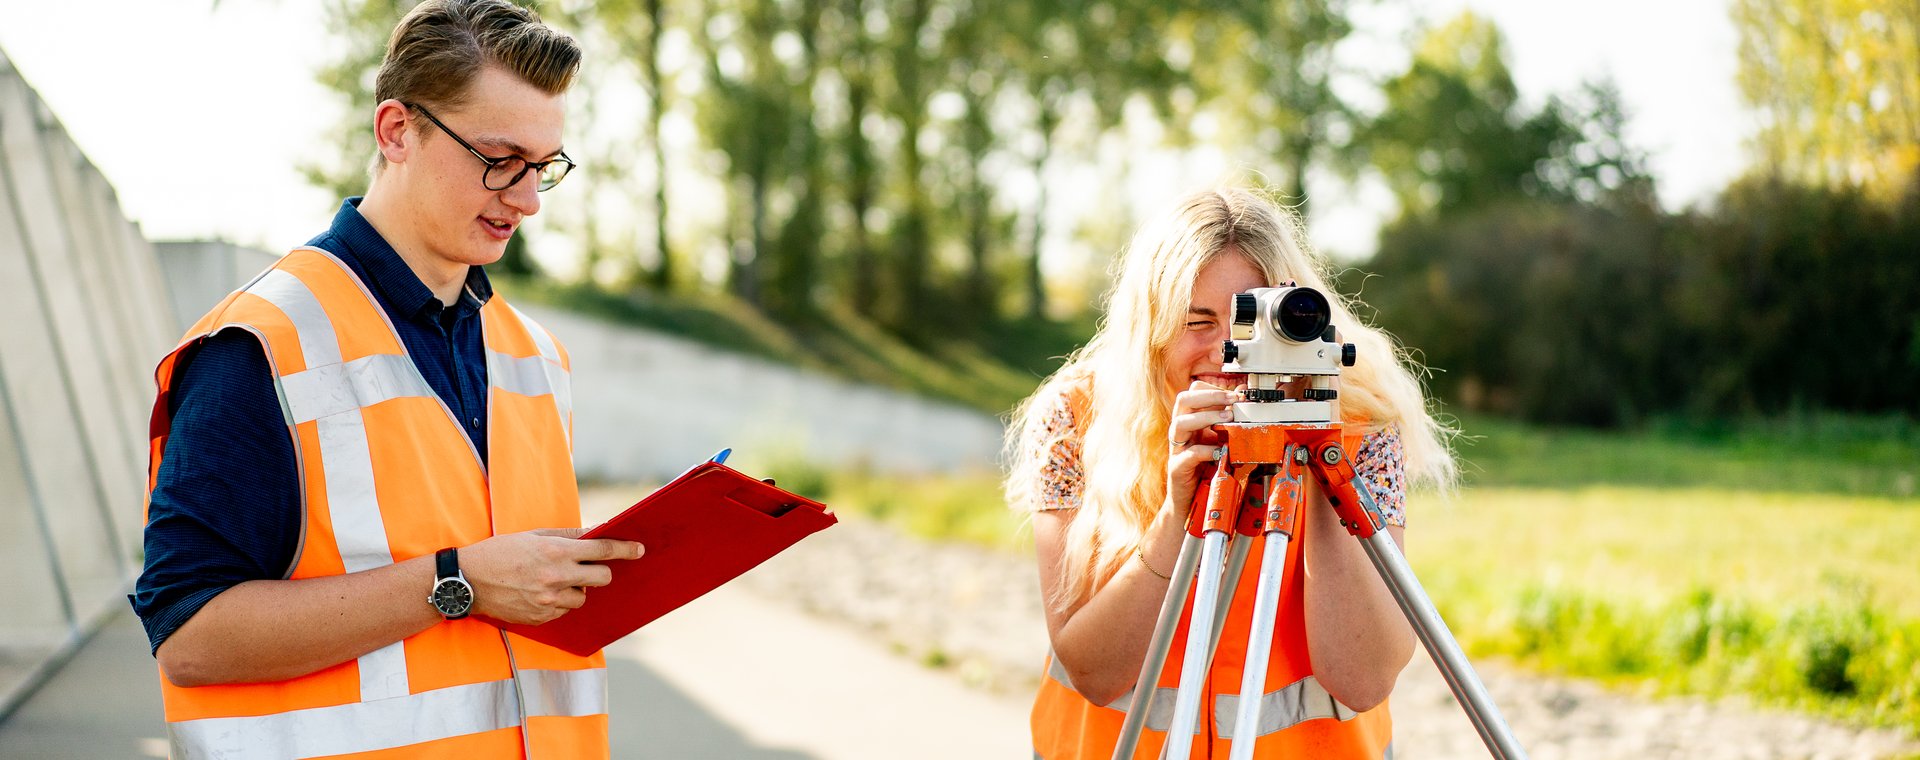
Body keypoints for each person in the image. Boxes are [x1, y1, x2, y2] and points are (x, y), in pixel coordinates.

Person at [131, 1, 640, 756]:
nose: (528, 199)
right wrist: (451, 582)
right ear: (397, 130)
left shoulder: (534, 356)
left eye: (544, 167)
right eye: (499, 159)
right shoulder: (261, 345)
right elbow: (191, 638)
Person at [1007, 188, 1457, 758]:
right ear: (1150, 331)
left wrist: (1313, 447)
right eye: (1198, 321)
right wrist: (1176, 514)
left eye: (1253, 321)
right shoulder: (1077, 418)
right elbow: (1094, 672)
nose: (1228, 351)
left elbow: (1362, 680)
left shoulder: (1360, 428)